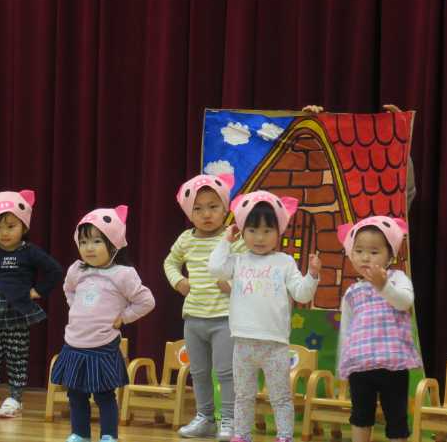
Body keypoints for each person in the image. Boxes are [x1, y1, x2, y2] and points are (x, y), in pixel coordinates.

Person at [208, 190, 322, 442]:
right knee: (243, 395)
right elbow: (215, 268)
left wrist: (312, 275)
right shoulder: (237, 261)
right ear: (242, 231)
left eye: (267, 231)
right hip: (243, 342)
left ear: (279, 232)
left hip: (275, 345)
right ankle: (241, 435)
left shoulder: (285, 262)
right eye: (252, 230)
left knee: (280, 396)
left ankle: (284, 436)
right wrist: (226, 240)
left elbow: (302, 294)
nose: (259, 237)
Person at [51, 206, 155, 442]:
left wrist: (124, 317)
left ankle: (108, 435)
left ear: (114, 243)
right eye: (83, 241)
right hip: (74, 344)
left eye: (97, 241)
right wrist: (77, 308)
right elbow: (68, 289)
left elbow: (146, 301)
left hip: (103, 345)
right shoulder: (77, 270)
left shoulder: (123, 274)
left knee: (104, 395)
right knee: (76, 394)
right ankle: (79, 434)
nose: (89, 248)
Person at [0, 190, 63, 418]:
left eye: (11, 226)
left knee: (17, 357)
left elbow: (55, 270)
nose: (4, 233)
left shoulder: (30, 251)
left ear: (24, 226)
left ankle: (15, 398)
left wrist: (37, 291)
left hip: (18, 313)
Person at [163, 173, 244, 441]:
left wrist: (232, 284)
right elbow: (170, 262)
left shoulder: (233, 237)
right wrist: (178, 281)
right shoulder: (186, 239)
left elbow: (249, 267)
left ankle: (229, 419)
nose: (206, 214)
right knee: (198, 372)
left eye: (213, 206)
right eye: (198, 208)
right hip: (194, 317)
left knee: (226, 371)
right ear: (189, 213)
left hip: (225, 317)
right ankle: (205, 418)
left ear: (225, 208)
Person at [336, 216, 422, 442]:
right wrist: (342, 366)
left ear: (390, 255)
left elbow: (404, 302)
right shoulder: (352, 291)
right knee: (360, 416)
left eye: (374, 252)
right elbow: (346, 331)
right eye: (359, 251)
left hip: (392, 363)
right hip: (360, 365)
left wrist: (383, 286)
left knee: (396, 417)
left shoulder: (398, 279)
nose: (365, 257)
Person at [302, 104, 417, 209]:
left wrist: (400, 143)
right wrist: (305, 129)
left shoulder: (385, 194)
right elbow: (306, 189)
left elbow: (406, 193)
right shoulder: (328, 185)